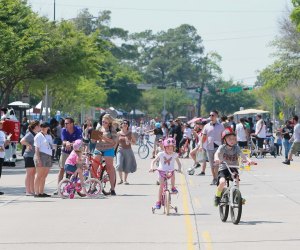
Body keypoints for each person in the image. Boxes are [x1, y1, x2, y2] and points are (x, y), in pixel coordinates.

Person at [214, 128, 255, 206]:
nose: (232, 140)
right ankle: (217, 196)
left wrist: (249, 161)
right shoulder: (222, 147)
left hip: (233, 167)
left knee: (236, 179)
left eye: (234, 139)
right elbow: (217, 153)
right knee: (222, 182)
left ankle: (237, 196)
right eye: (229, 139)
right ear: (225, 140)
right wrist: (216, 158)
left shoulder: (236, 148)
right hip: (223, 168)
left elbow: (243, 156)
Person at [149, 137, 182, 209]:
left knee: (173, 173)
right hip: (161, 171)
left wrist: (179, 169)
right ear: (164, 147)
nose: (170, 149)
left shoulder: (174, 154)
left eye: (172, 148)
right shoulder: (161, 154)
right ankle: (158, 201)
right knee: (161, 185)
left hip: (170, 172)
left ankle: (173, 187)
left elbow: (179, 163)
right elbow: (153, 161)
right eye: (168, 148)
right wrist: (152, 168)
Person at [54, 117, 82, 195]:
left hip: (75, 152)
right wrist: (66, 143)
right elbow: (63, 140)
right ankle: (58, 188)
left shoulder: (78, 129)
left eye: (67, 123)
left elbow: (79, 140)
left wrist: (71, 143)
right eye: (65, 123)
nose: (65, 125)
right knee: (62, 168)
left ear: (72, 123)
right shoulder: (63, 130)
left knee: (76, 169)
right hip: (65, 151)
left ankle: (74, 186)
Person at [93, 114, 117, 195]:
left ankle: (112, 188)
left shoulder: (112, 129)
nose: (103, 123)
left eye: (105, 122)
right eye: (102, 122)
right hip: (99, 148)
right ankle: (94, 185)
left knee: (110, 168)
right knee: (93, 167)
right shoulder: (99, 128)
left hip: (108, 149)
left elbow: (114, 142)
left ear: (109, 123)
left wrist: (104, 138)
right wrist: (92, 136)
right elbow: (93, 141)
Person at [199, 110, 225, 185]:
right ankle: (214, 178)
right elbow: (203, 137)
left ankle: (216, 178)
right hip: (209, 147)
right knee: (211, 165)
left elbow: (224, 137)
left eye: (213, 115)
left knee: (216, 164)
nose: (211, 117)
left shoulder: (221, 126)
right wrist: (201, 146)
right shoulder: (206, 126)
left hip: (218, 147)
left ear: (217, 116)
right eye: (210, 115)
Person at [20, 120, 40, 196]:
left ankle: (32, 190)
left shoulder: (36, 134)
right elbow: (22, 141)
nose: (40, 127)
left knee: (33, 173)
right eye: (39, 126)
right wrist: (28, 144)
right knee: (29, 173)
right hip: (28, 155)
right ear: (35, 126)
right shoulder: (29, 134)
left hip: (33, 155)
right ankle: (28, 191)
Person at [33, 122, 53, 198]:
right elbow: (37, 148)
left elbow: (50, 145)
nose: (47, 128)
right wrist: (38, 159)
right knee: (39, 175)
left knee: (44, 175)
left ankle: (41, 192)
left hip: (48, 155)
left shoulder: (49, 136)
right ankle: (36, 192)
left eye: (48, 127)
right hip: (41, 155)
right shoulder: (38, 136)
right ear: (42, 128)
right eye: (46, 127)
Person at [116, 119, 137, 185]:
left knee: (127, 165)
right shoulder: (118, 133)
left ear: (128, 125)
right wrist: (113, 150)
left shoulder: (130, 133)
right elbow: (116, 143)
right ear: (121, 125)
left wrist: (129, 141)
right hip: (120, 150)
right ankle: (120, 179)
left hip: (128, 150)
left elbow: (134, 142)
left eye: (126, 123)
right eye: (123, 123)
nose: (125, 124)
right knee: (119, 164)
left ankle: (125, 180)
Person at [0, 120, 11, 195]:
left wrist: (7, 141)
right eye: (1, 124)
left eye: (1, 124)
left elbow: (4, 145)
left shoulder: (2, 133)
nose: (1, 125)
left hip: (1, 155)